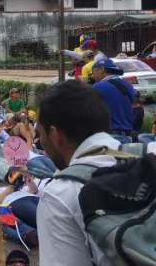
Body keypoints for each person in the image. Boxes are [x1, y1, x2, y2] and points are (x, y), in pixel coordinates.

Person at [36, 80, 119, 266]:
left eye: (40, 133)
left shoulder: (59, 195)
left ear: (55, 135)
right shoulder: (147, 158)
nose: (41, 142)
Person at [90, 59, 135, 144]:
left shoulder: (98, 86)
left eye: (93, 72)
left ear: (102, 70)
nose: (92, 76)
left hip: (110, 135)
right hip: (128, 136)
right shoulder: (128, 85)